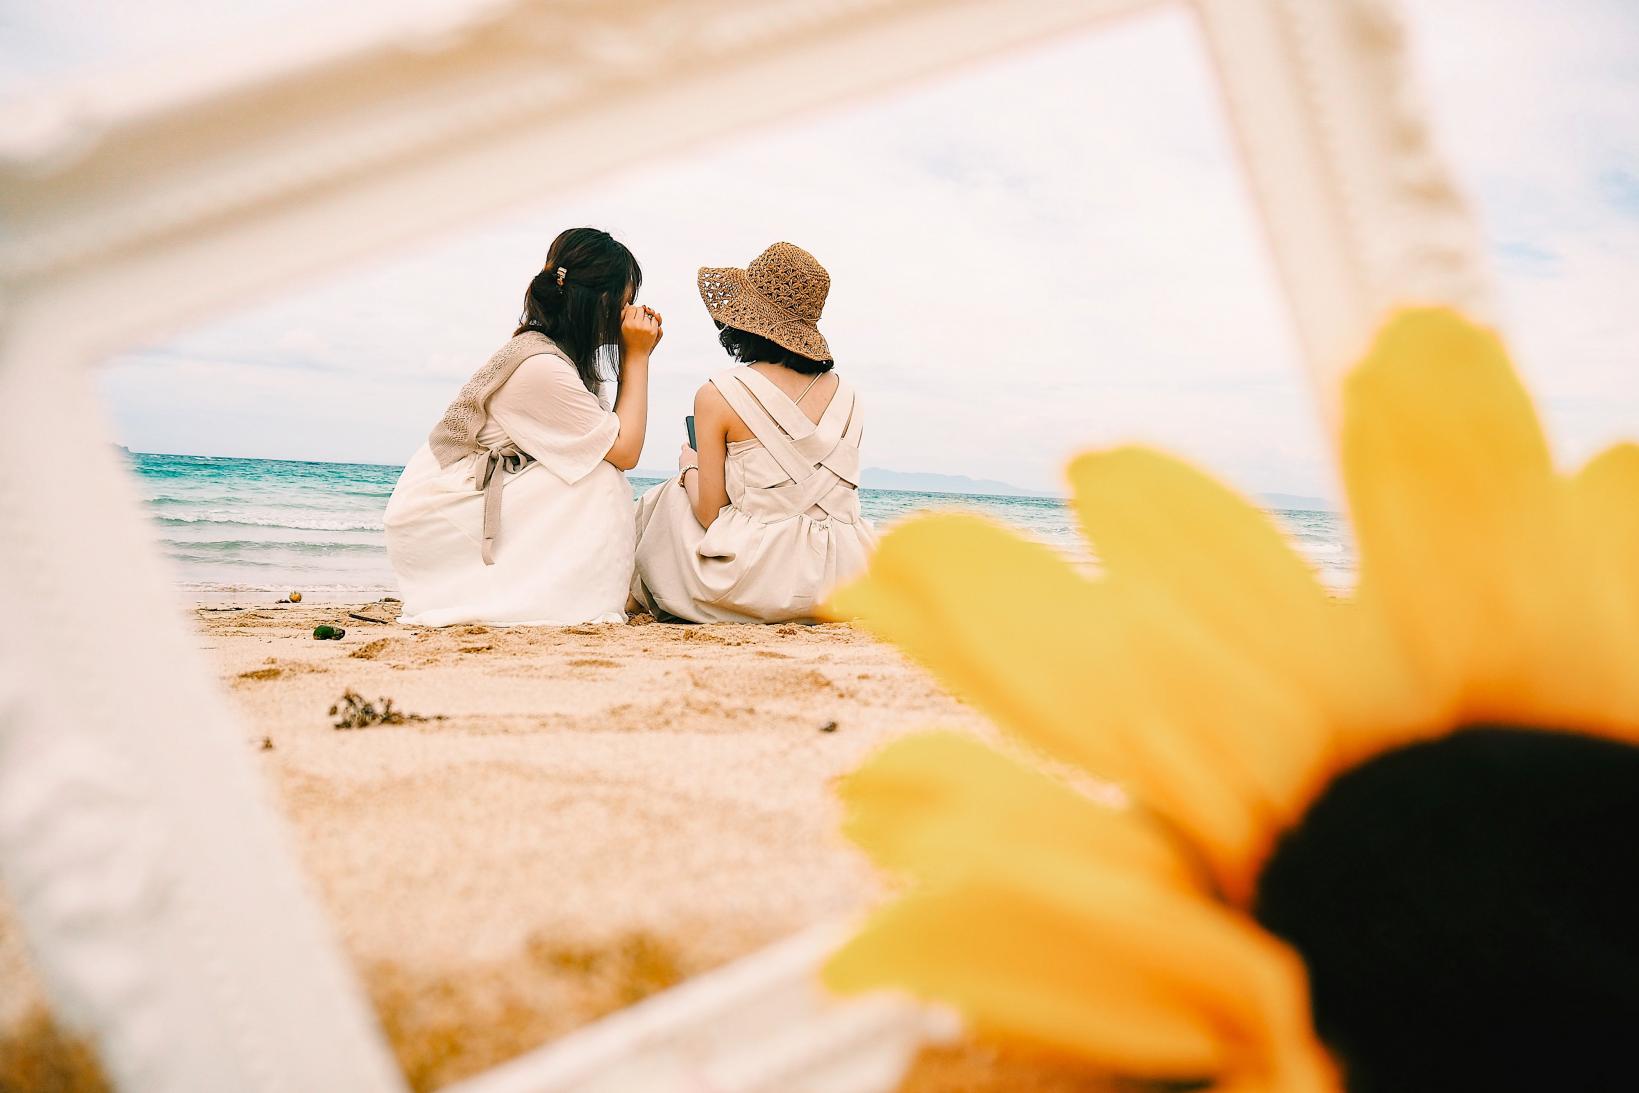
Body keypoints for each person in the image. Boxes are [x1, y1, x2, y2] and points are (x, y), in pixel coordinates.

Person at [384, 227, 661, 625]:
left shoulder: (560, 358)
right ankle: (563, 599)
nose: (629, 312)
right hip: (438, 517)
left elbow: (616, 441)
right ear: (599, 302)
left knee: (594, 472)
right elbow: (625, 451)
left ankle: (560, 592)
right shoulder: (540, 368)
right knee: (601, 479)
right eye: (626, 301)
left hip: (457, 501)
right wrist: (637, 356)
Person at [631, 242, 875, 623]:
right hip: (845, 579)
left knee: (667, 495)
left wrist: (689, 467)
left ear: (743, 318)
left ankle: (630, 600)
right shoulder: (850, 396)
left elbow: (710, 513)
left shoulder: (718, 393)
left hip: (759, 581)